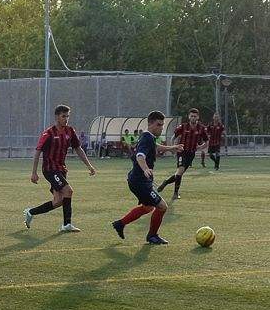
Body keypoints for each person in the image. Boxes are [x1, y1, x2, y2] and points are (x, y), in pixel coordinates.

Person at [25, 103, 98, 232]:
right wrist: (34, 173)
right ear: (57, 117)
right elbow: (37, 152)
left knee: (58, 201)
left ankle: (30, 212)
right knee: (68, 191)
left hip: (61, 169)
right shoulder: (48, 133)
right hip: (49, 169)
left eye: (67, 116)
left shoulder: (70, 131)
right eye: (63, 116)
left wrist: (89, 166)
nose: (66, 119)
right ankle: (66, 224)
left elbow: (78, 148)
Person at [112, 111, 176, 245]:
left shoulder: (148, 137)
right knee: (162, 207)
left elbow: (156, 147)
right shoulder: (147, 138)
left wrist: (172, 147)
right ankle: (152, 236)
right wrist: (146, 168)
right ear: (150, 124)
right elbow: (140, 156)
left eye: (162, 125)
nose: (161, 128)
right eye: (159, 125)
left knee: (148, 208)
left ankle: (120, 224)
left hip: (137, 180)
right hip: (140, 182)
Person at [157, 107, 206, 202]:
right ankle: (175, 193)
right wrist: (173, 148)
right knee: (180, 171)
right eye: (191, 116)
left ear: (198, 117)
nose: (193, 118)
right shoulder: (183, 127)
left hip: (191, 154)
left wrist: (200, 147)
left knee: (179, 174)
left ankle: (166, 182)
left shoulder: (201, 128)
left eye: (195, 116)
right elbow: (173, 138)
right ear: (188, 117)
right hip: (182, 152)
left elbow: (206, 142)